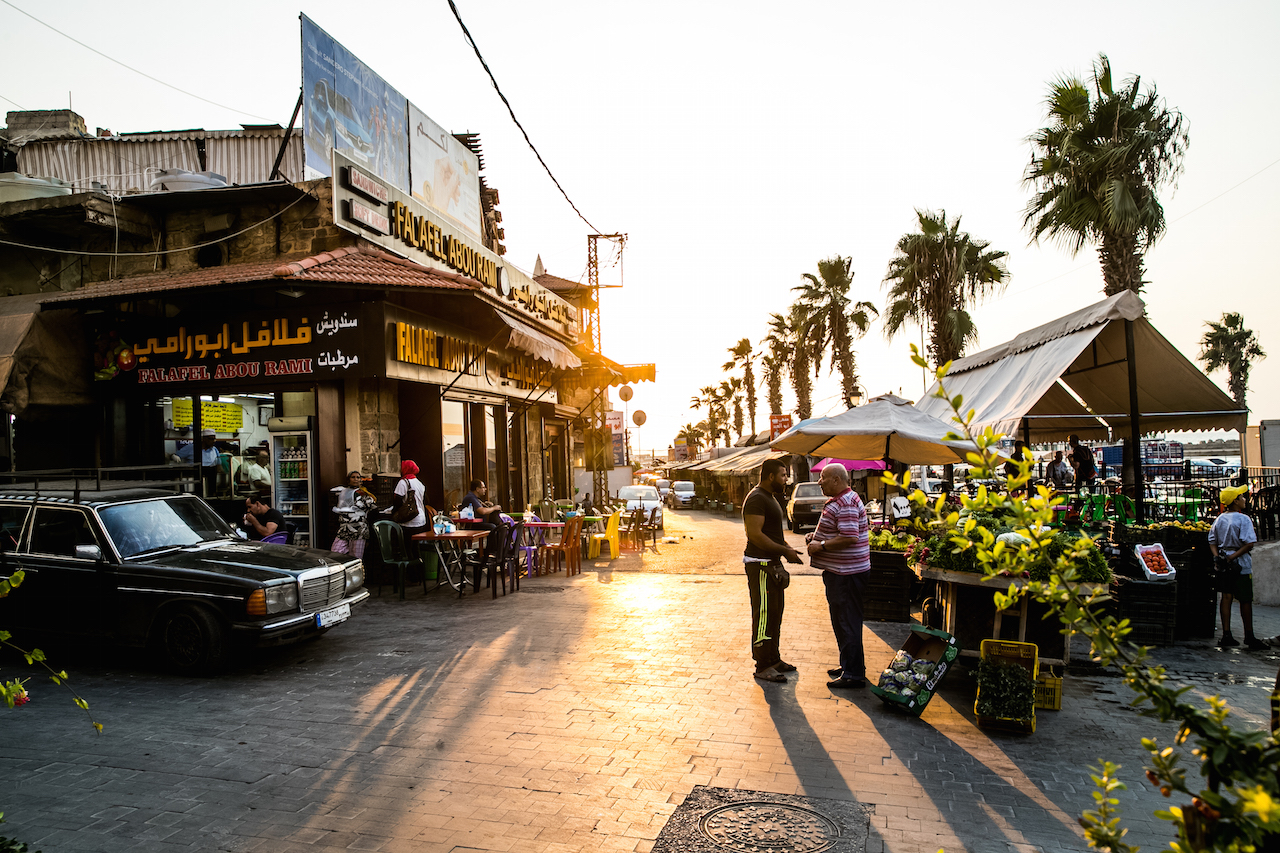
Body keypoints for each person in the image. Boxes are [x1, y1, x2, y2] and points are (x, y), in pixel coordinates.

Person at [807, 462, 871, 689]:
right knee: (843, 620)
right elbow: (840, 531)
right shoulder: (844, 500)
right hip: (842, 573)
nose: (819, 482)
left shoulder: (845, 502)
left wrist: (821, 546)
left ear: (836, 479)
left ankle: (853, 673)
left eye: (822, 478)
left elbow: (850, 536)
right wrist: (815, 538)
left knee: (846, 621)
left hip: (846, 575)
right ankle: (849, 665)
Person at [742, 457, 804, 683]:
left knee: (775, 614)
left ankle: (773, 658)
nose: (786, 479)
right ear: (770, 476)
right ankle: (762, 664)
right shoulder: (757, 498)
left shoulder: (770, 498)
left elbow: (772, 533)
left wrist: (787, 549)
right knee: (763, 615)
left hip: (772, 565)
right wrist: (783, 551)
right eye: (783, 475)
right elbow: (755, 535)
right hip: (759, 565)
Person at [1209, 484, 1268, 651]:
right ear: (1235, 501)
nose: (1244, 499)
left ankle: (1226, 634)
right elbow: (1249, 544)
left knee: (1226, 598)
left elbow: (1212, 541)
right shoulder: (1244, 519)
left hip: (1223, 563)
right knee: (1245, 600)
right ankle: (1249, 635)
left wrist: (1217, 557)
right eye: (1241, 497)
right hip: (1240, 564)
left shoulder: (1220, 519)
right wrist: (1232, 557)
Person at [331, 471, 375, 557]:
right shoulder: (343, 493)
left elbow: (373, 508)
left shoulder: (363, 494)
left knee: (356, 557)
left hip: (358, 530)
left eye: (358, 477)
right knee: (335, 552)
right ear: (348, 480)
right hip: (344, 529)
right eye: (353, 477)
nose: (355, 479)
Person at [389, 460, 428, 540]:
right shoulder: (419, 483)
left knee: (407, 547)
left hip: (409, 520)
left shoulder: (403, 482)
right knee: (415, 547)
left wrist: (394, 514)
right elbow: (426, 500)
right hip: (420, 518)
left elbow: (397, 501)